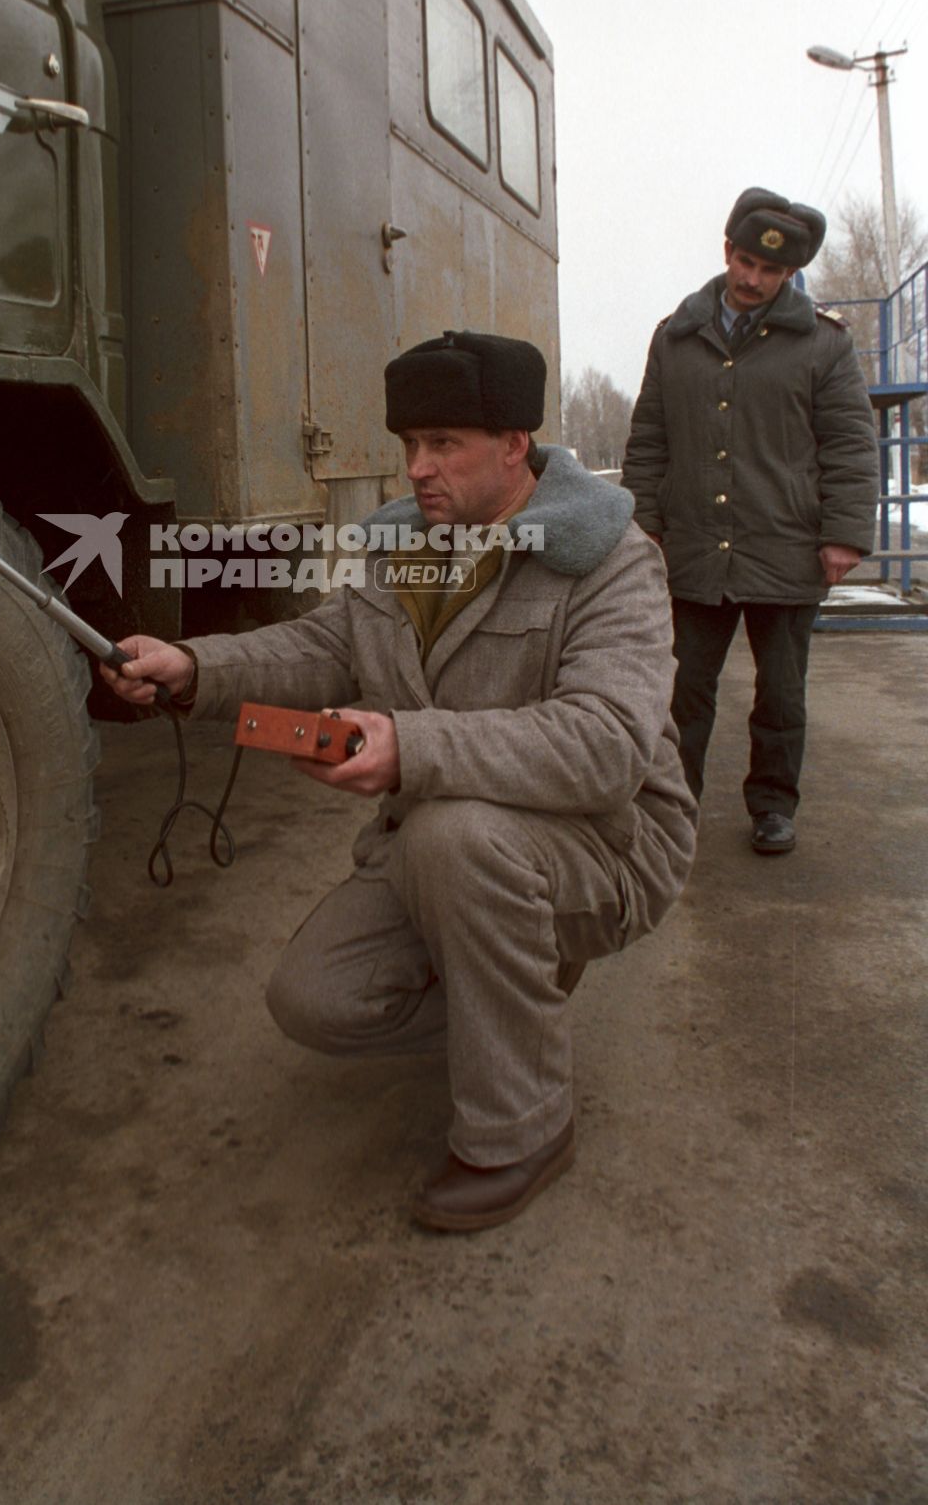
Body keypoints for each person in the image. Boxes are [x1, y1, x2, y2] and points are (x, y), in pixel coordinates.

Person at [103, 330, 697, 1232]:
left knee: (455, 837)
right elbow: (323, 645)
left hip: (607, 841)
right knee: (313, 999)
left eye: (445, 444)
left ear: (513, 444)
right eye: (409, 445)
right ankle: (510, 976)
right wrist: (194, 665)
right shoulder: (407, 548)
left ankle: (525, 1126)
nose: (419, 469)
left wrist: (409, 745)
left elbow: (607, 744)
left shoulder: (609, 558)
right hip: (452, 843)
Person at [622, 187, 879, 855]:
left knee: (782, 695)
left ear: (789, 274)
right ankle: (672, 809)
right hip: (695, 551)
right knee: (681, 693)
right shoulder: (677, 335)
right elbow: (649, 434)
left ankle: (773, 805)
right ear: (728, 250)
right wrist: (644, 519)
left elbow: (850, 441)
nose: (751, 277)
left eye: (769, 270)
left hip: (788, 548)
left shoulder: (823, 344)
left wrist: (844, 532)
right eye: (743, 259)